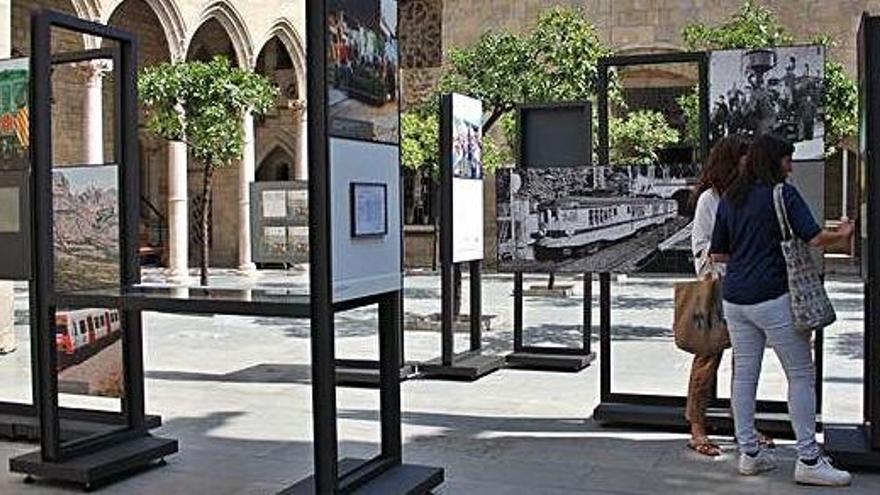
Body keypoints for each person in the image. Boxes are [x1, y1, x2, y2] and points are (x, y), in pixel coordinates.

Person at [710, 134, 854, 486]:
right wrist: (846, 232)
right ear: (773, 161)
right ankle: (808, 457)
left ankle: (749, 454)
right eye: (787, 159)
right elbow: (815, 238)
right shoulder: (782, 194)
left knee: (744, 375)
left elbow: (718, 254)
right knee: (801, 374)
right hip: (774, 296)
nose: (790, 166)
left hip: (736, 300)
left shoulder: (731, 196)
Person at [686, 135, 747, 457]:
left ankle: (743, 426)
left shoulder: (745, 195)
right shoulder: (711, 198)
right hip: (719, 288)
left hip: (745, 286)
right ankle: (697, 428)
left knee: (744, 361)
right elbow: (703, 247)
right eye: (743, 157)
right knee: (708, 359)